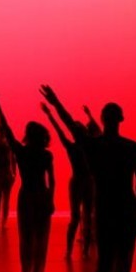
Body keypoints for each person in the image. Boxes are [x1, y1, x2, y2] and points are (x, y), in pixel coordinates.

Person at [41, 86, 136, 272]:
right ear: (120, 119)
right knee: (121, 267)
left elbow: (71, 126)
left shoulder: (96, 146)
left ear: (103, 120)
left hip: (108, 209)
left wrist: (56, 104)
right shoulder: (131, 147)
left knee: (106, 266)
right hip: (124, 209)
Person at [0, 90, 54, 272]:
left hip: (26, 196)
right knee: (41, 237)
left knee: (25, 237)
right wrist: (50, 200)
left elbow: (7, 130)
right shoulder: (46, 156)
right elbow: (52, 181)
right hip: (41, 195)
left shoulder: (22, 152)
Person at [42, 103, 93, 260]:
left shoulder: (86, 146)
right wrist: (50, 115)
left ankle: (82, 249)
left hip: (85, 183)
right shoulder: (75, 147)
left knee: (85, 217)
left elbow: (61, 131)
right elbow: (60, 132)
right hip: (80, 183)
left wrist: (50, 115)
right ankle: (71, 250)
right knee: (77, 217)